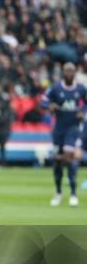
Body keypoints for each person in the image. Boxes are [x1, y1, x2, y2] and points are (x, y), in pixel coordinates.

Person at [41, 63, 85, 207]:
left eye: (72, 71)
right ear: (63, 73)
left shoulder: (80, 88)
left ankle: (73, 193)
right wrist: (50, 106)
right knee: (58, 162)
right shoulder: (55, 88)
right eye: (67, 71)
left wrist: (82, 111)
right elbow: (43, 101)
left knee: (70, 157)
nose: (69, 74)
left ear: (75, 73)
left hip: (73, 128)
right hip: (59, 129)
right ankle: (58, 192)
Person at [0, 98, 14, 166]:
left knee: (2, 147)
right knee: (2, 147)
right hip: (3, 131)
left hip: (3, 131)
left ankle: (3, 162)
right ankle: (2, 161)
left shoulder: (5, 112)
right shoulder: (4, 111)